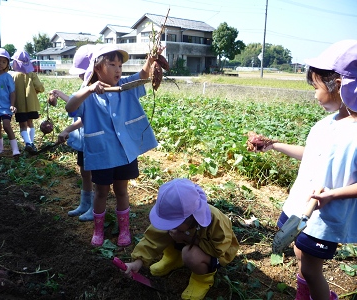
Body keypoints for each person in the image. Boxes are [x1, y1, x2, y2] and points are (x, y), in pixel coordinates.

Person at [247, 40, 357, 300]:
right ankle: (304, 292)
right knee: (299, 251)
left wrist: (333, 194)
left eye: (316, 87)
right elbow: (313, 156)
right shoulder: (326, 124)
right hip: (302, 205)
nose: (314, 94)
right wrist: (273, 145)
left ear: (339, 87)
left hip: (325, 215)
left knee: (310, 268)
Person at [65, 44, 160, 247]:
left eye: (120, 65)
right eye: (112, 64)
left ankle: (124, 229)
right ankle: (98, 230)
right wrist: (89, 89)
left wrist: (151, 60)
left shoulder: (125, 86)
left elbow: (143, 74)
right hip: (102, 154)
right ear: (98, 68)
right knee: (101, 192)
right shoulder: (87, 94)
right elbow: (70, 106)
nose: (118, 69)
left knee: (122, 191)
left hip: (125, 152)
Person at [123, 178, 239, 300]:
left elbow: (218, 250)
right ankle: (173, 259)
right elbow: (154, 237)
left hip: (215, 253)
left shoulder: (215, 221)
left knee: (190, 254)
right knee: (166, 232)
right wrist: (138, 261)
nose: (170, 226)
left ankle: (202, 279)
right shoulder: (175, 216)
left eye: (174, 223)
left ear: (190, 218)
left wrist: (186, 238)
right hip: (189, 239)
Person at [48, 44, 96, 221]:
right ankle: (85, 203)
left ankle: (95, 207)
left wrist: (68, 128)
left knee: (95, 174)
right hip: (85, 140)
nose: (82, 76)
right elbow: (77, 106)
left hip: (95, 140)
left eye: (84, 72)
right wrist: (60, 94)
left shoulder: (98, 89)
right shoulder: (86, 88)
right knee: (84, 171)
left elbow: (85, 116)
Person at [11, 50, 45, 154]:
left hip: (19, 105)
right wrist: (36, 92)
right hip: (32, 104)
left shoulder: (13, 75)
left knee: (22, 124)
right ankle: (32, 142)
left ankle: (27, 143)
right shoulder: (32, 74)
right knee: (30, 122)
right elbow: (40, 87)